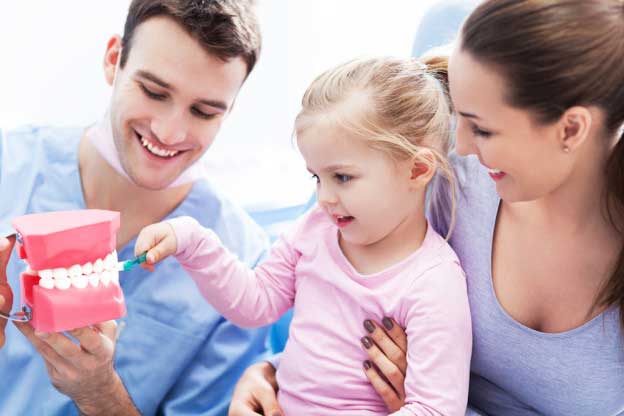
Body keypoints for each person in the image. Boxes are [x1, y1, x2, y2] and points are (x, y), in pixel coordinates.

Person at [232, 0, 624, 415]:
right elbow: (325, 283)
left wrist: (426, 403)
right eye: (463, 119)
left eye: (484, 130)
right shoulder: (442, 175)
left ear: (572, 128)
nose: (462, 146)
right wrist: (270, 374)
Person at [134, 56, 472, 415]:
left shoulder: (433, 283)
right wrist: (191, 240)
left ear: (417, 169)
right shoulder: (316, 229)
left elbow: (434, 409)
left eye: (342, 177)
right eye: (316, 177)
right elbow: (255, 301)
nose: (324, 197)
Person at [0, 1, 272, 414]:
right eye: (154, 92)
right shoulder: (10, 165)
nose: (170, 131)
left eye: (203, 111)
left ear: (230, 110)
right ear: (114, 61)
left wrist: (100, 394)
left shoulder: (245, 271)